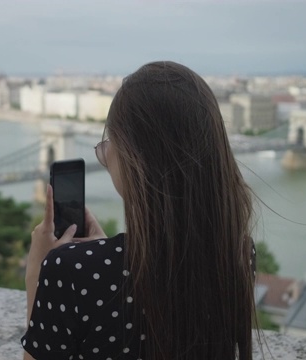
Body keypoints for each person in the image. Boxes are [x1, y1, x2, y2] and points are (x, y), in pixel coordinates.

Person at [22, 61, 257, 359]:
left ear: (132, 158)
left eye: (108, 144)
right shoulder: (238, 253)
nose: (105, 154)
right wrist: (103, 256)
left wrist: (38, 271)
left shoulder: (68, 271)